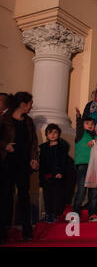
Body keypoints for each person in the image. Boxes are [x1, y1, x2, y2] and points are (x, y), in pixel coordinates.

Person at [0, 92, 38, 243]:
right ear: (23, 104)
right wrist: (5, 146)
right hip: (7, 163)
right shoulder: (4, 119)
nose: (31, 106)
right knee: (5, 197)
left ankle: (27, 232)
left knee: (24, 197)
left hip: (23, 165)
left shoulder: (28, 121)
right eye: (30, 103)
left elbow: (33, 142)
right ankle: (3, 233)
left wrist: (34, 158)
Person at [73, 109, 97, 222]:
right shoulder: (80, 134)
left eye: (92, 124)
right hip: (83, 165)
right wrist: (78, 117)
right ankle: (75, 214)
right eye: (87, 123)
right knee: (81, 191)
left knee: (94, 192)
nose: (90, 125)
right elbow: (79, 127)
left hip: (95, 166)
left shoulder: (95, 137)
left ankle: (92, 214)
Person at [39, 124, 69, 223]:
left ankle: (56, 214)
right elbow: (42, 163)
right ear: (47, 135)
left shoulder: (62, 147)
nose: (52, 135)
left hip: (57, 176)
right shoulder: (43, 147)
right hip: (46, 176)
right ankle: (48, 214)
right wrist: (42, 177)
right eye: (50, 133)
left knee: (57, 195)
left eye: (55, 132)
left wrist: (60, 172)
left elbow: (64, 161)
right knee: (47, 196)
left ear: (59, 134)